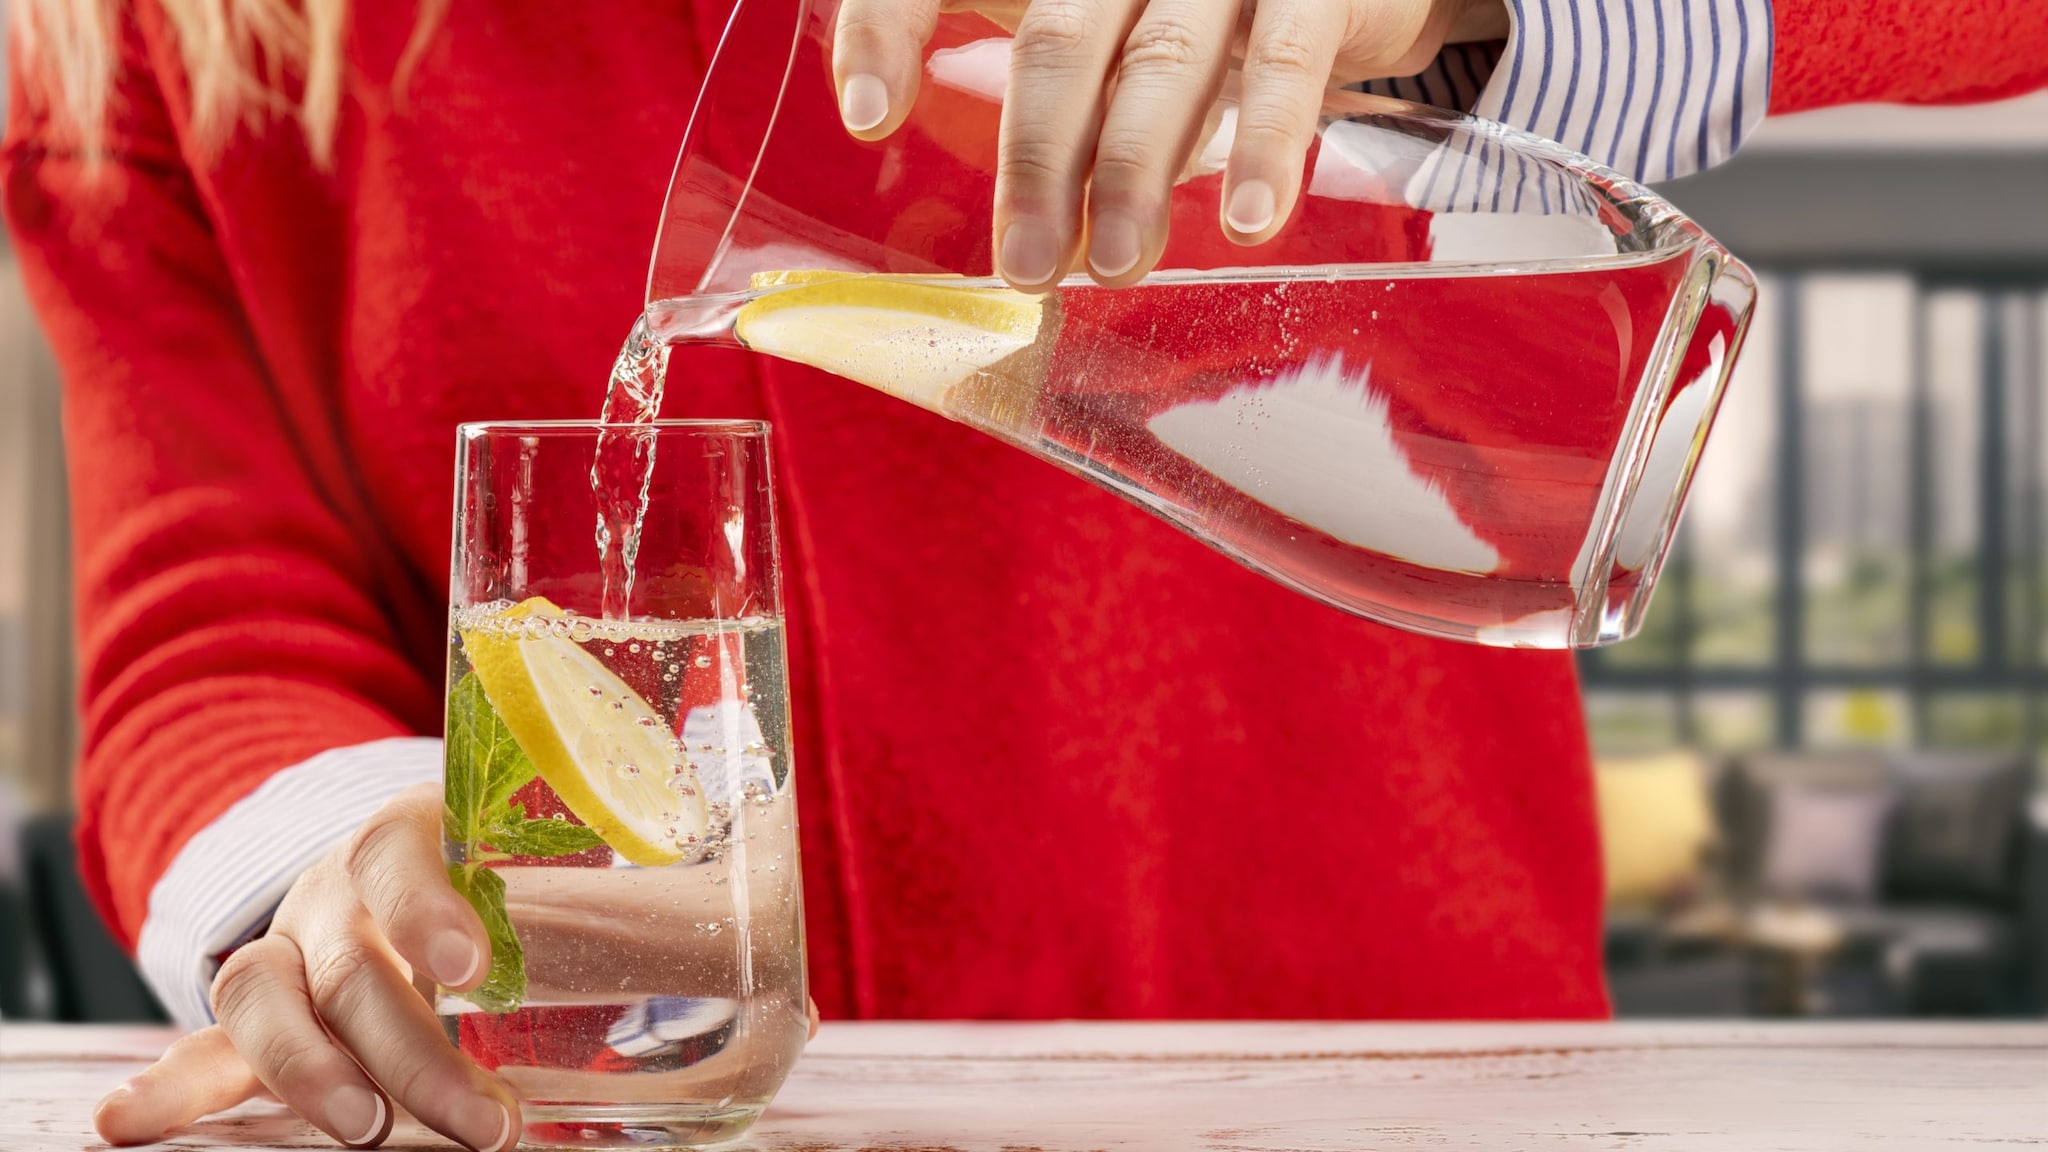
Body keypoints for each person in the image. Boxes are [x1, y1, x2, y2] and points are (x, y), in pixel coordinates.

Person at [4, 0, 2042, 1149]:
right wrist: (360, 869)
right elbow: (211, 613)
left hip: (1386, 1093)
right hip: (638, 1134)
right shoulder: (150, 55)